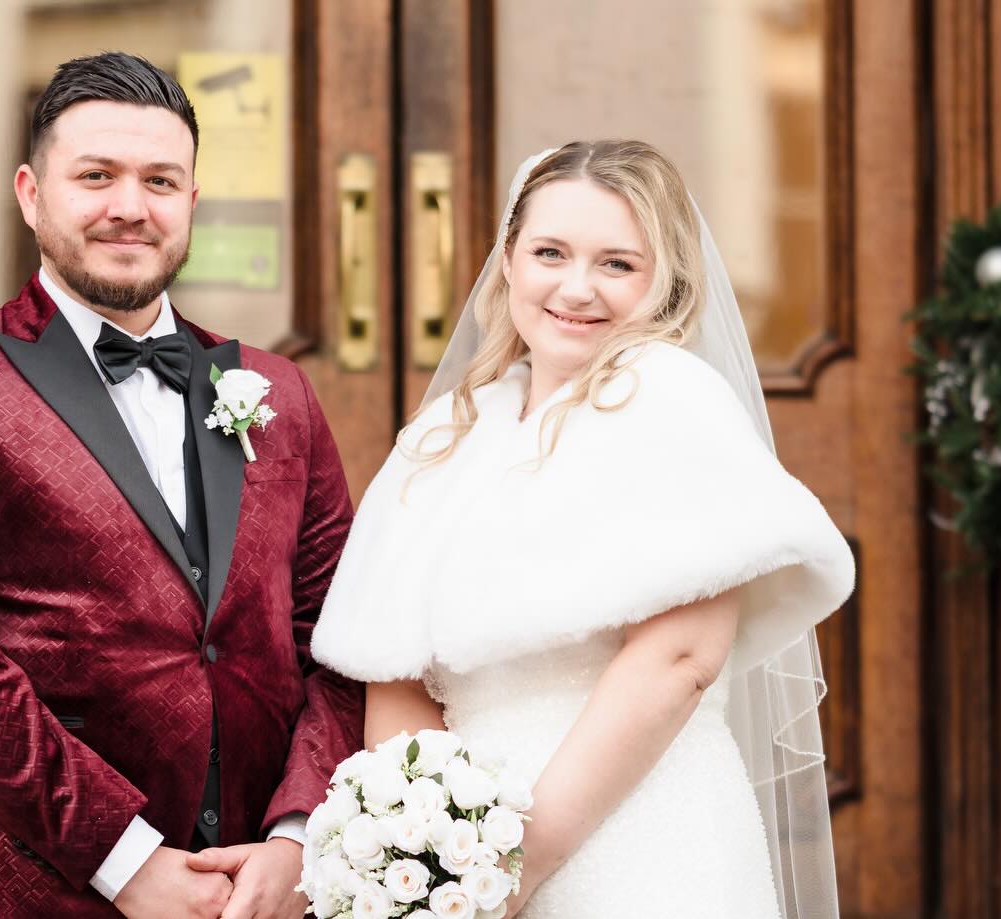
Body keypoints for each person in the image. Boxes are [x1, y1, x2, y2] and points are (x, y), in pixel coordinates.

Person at [0, 51, 363, 919]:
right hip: (32, 886)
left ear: (191, 204)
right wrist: (126, 861)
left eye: (160, 180)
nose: (131, 206)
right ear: (30, 193)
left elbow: (342, 640)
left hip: (260, 893)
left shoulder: (281, 395)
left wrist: (299, 834)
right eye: (97, 176)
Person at [310, 141, 855, 918]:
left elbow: (679, 656)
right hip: (469, 865)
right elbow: (392, 667)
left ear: (663, 281)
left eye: (616, 265)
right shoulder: (446, 438)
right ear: (507, 260)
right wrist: (424, 853)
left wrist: (516, 864)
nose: (576, 287)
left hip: (642, 838)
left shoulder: (672, 403)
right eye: (550, 253)